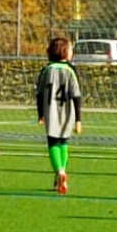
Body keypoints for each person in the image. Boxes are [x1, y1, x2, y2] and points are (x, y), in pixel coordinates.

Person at [35, 36, 84, 195]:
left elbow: (39, 94)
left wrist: (41, 114)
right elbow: (76, 95)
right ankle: (61, 174)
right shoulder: (70, 70)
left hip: (51, 111)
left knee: (52, 143)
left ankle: (60, 171)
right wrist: (78, 119)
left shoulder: (47, 70)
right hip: (67, 111)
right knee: (63, 142)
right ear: (64, 52)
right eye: (70, 49)